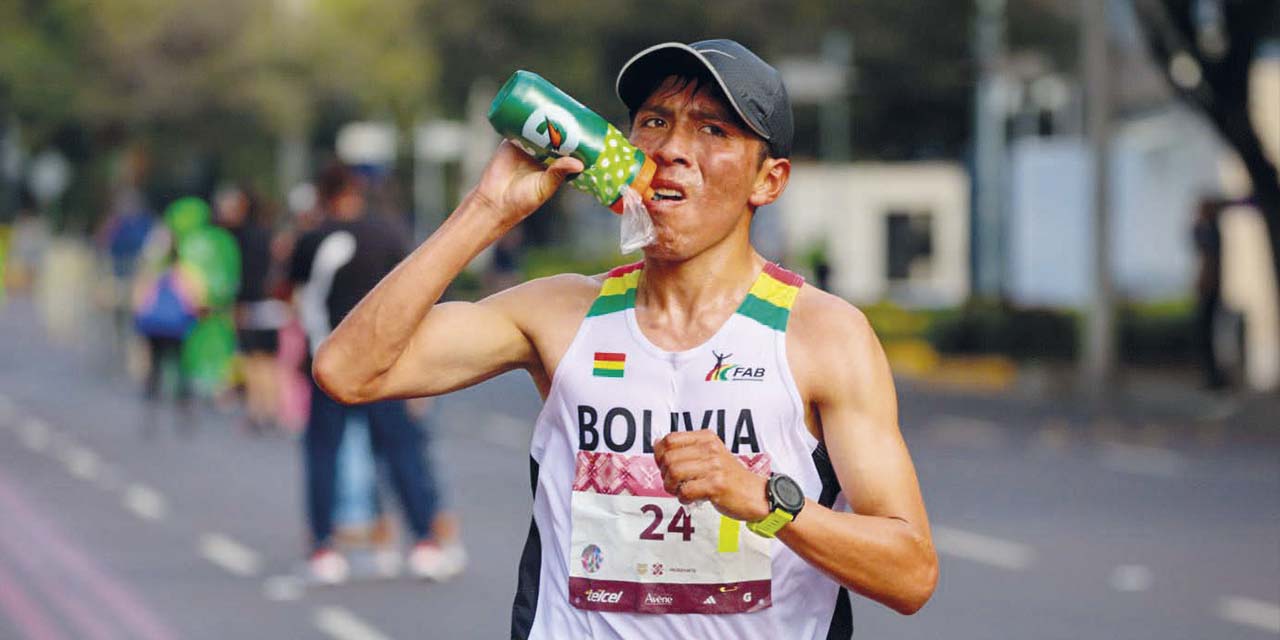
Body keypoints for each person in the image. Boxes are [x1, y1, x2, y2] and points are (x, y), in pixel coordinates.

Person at [313, 39, 936, 638]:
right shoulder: (561, 312)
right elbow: (348, 371)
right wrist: (487, 208)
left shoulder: (823, 335)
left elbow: (910, 572)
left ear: (767, 181)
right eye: (654, 122)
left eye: (713, 130)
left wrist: (768, 501)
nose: (673, 149)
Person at [288, 163, 465, 584]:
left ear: (324, 195)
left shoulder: (311, 239)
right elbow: (420, 295)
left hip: (327, 365)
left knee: (323, 456)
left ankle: (322, 548)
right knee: (401, 452)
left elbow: (294, 297)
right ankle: (424, 541)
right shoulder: (388, 234)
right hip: (386, 366)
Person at [216, 185, 288, 433]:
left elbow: (242, 276)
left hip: (252, 304)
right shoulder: (270, 235)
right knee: (268, 361)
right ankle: (270, 409)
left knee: (254, 362)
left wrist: (238, 305)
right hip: (273, 304)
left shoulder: (241, 237)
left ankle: (258, 410)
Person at [1192, 198, 1226, 389]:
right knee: (1204, 335)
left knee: (1207, 335)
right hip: (1208, 288)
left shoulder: (1212, 233)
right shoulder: (1209, 232)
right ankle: (1211, 377)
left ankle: (1214, 378)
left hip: (1210, 289)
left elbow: (1206, 253)